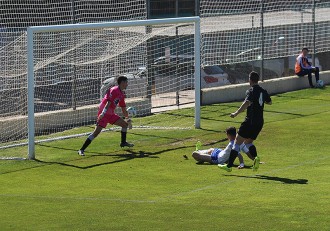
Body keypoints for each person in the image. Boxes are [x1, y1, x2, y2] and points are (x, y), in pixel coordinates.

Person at [218, 71, 272, 172]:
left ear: (250, 80)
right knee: (248, 142)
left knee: (237, 142)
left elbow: (246, 103)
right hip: (259, 122)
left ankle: (229, 166)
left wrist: (236, 113)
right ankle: (256, 160)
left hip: (249, 121)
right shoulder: (263, 91)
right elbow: (270, 102)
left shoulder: (250, 91)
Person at [77, 76, 134, 156]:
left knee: (124, 125)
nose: (127, 84)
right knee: (96, 132)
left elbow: (123, 108)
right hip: (104, 112)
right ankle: (81, 150)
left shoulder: (121, 93)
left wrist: (128, 119)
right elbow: (108, 103)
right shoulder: (114, 90)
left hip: (110, 114)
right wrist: (102, 113)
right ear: (122, 83)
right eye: (126, 82)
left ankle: (123, 142)